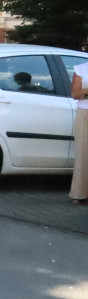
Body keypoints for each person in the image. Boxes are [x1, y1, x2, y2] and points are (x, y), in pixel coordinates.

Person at [70, 60, 88, 204]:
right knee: (83, 153)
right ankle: (80, 194)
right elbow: (75, 93)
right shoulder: (82, 69)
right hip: (85, 113)